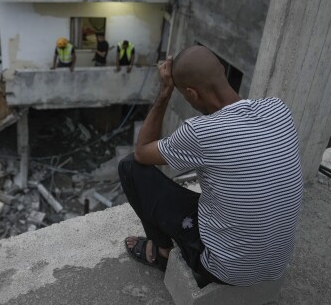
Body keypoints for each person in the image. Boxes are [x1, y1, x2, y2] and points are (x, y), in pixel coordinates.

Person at [120, 45, 303, 287]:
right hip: (276, 263)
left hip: (227, 269)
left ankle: (162, 253)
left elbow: (142, 152)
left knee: (130, 168)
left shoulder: (201, 132)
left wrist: (164, 93)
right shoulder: (278, 109)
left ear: (192, 94)